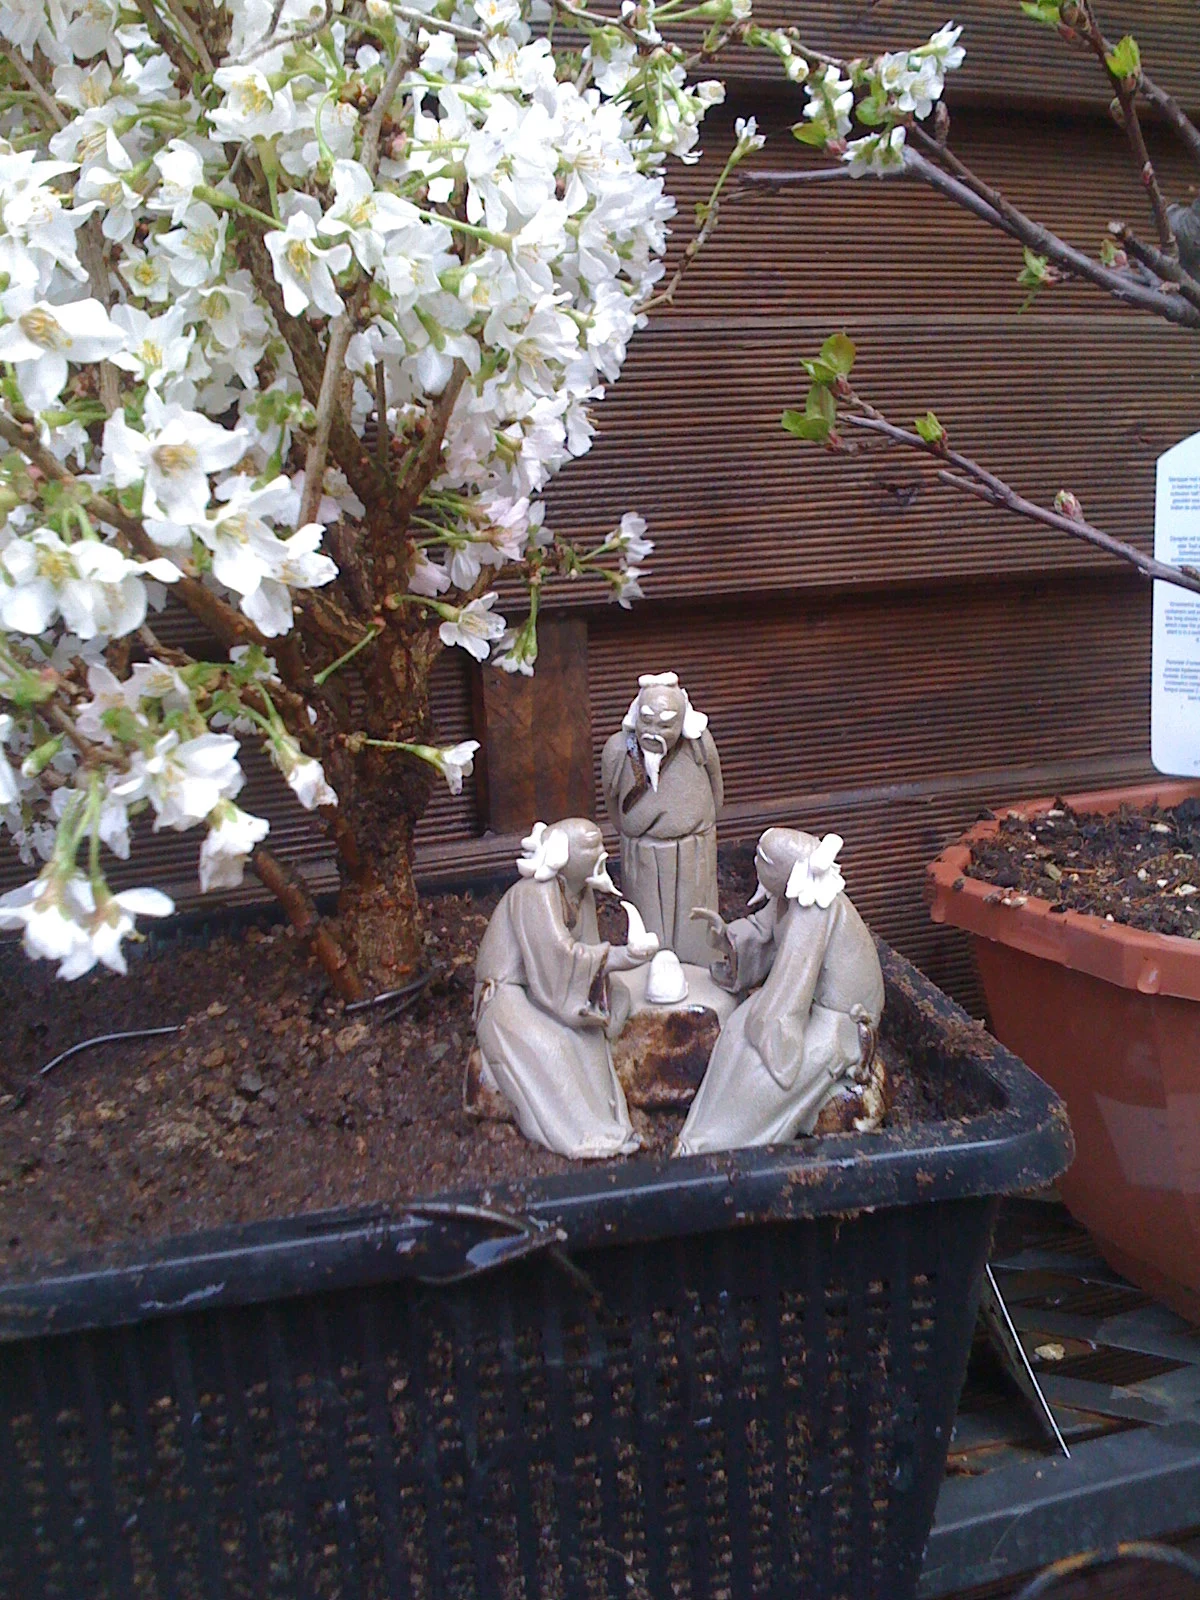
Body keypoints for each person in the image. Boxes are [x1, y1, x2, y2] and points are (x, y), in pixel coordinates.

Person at [675, 828, 884, 1156]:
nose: (756, 863)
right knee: (735, 1033)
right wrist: (727, 937)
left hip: (841, 1020)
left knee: (765, 1073)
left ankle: (718, 1145)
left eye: (763, 860)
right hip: (803, 1000)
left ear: (787, 872)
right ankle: (702, 1130)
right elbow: (763, 933)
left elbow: (794, 980)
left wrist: (776, 1032)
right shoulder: (789, 898)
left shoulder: (814, 910)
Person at [473, 817, 657, 1158]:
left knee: (590, 1038)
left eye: (601, 843)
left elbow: (586, 952)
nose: (602, 853)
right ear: (563, 855)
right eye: (591, 846)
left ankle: (611, 1124)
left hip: (547, 990)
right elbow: (560, 958)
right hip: (506, 993)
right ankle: (581, 1133)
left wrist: (613, 968)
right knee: (553, 1046)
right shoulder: (535, 894)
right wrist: (623, 956)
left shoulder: (580, 892)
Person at [600, 671, 723, 967]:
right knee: (648, 927)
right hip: (642, 852)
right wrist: (631, 834)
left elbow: (716, 787)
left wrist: (702, 826)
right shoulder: (618, 750)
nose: (654, 731)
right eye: (647, 720)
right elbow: (611, 801)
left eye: (666, 724)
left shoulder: (699, 745)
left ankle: (700, 968)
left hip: (694, 850)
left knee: (695, 923)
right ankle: (648, 971)